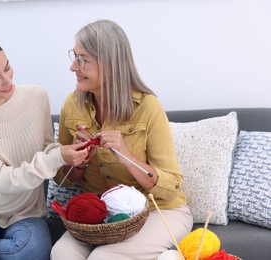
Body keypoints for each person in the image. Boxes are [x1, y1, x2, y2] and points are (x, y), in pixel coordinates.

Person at [50, 20, 193, 260]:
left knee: (104, 258)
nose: (73, 67)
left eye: (83, 59)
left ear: (111, 64)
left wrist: (126, 157)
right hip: (103, 213)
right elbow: (61, 179)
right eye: (74, 56)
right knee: (62, 253)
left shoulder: (148, 107)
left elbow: (172, 187)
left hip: (158, 210)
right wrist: (79, 160)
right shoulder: (71, 105)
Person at [0, 35, 89, 260]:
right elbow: (2, 180)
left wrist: (68, 153)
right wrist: (57, 157)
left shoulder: (36, 96)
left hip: (26, 212)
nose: (8, 81)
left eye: (7, 67)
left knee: (32, 249)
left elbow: (47, 149)